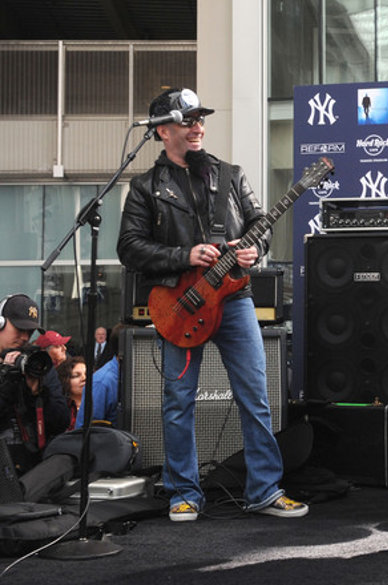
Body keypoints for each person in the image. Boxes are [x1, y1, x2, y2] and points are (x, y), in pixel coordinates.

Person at [117, 88, 307, 522]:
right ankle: (184, 491)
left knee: (256, 396)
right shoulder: (145, 186)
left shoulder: (231, 175)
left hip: (235, 299)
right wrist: (184, 256)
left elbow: (260, 225)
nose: (198, 127)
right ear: (163, 131)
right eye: (187, 121)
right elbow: (129, 246)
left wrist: (254, 251)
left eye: (200, 119)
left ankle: (264, 489)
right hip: (179, 304)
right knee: (177, 399)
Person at [0, 294, 69, 474]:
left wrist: (38, 393)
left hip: (32, 468)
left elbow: (61, 422)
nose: (24, 337)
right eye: (19, 329)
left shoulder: (37, 364)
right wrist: (7, 384)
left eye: (30, 331)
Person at [56, 356, 87, 431]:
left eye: (87, 374)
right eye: (76, 376)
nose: (84, 378)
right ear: (65, 380)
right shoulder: (61, 409)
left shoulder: (98, 404)